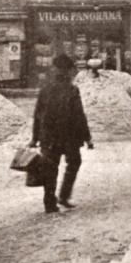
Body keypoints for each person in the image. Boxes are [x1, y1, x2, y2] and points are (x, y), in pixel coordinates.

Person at [30, 54, 93, 213]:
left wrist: (35, 138)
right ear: (68, 70)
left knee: (50, 168)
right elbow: (79, 115)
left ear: (55, 69)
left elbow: (37, 115)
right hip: (68, 136)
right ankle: (64, 196)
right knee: (74, 162)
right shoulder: (72, 90)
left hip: (49, 137)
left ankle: (49, 203)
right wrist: (87, 138)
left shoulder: (45, 89)